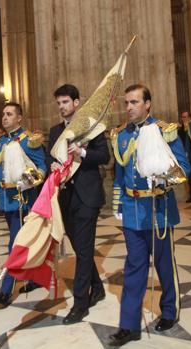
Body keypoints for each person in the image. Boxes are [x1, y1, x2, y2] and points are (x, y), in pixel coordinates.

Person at [108, 84, 190, 347]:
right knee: (134, 268)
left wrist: (165, 177)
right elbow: (119, 176)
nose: (129, 107)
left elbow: (183, 167)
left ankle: (169, 312)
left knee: (165, 266)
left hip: (158, 210)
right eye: (126, 103)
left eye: (134, 102)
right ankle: (129, 325)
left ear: (148, 104)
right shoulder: (121, 136)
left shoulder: (165, 132)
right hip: (132, 212)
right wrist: (119, 206)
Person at [46, 84, 110, 324]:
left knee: (83, 251)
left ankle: (81, 304)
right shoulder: (55, 131)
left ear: (76, 102)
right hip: (65, 198)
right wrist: (50, 166)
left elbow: (104, 156)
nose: (62, 107)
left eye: (65, 102)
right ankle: (98, 289)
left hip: (87, 197)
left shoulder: (91, 127)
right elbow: (48, 158)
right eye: (59, 103)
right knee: (81, 249)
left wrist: (82, 154)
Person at [0, 102, 46, 307]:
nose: (5, 117)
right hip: (7, 198)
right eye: (3, 114)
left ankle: (6, 289)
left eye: (9, 114)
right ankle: (34, 277)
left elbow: (42, 167)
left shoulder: (30, 140)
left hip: (25, 199)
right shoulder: (0, 142)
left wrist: (29, 180)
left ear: (19, 118)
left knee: (15, 243)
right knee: (23, 241)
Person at [178, 111, 191, 203]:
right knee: (188, 176)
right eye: (183, 117)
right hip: (184, 154)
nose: (184, 119)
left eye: (186, 117)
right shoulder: (180, 130)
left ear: (190, 118)